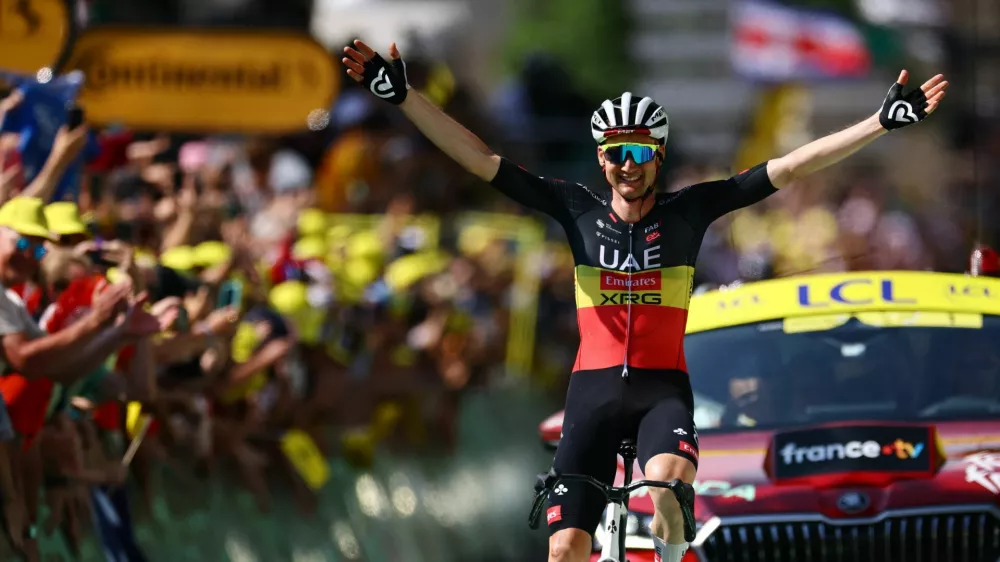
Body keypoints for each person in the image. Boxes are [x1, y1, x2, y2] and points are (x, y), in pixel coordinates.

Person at [341, 39, 948, 562]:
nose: (625, 165)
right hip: (593, 392)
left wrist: (879, 123)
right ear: (600, 157)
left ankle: (674, 550)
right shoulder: (574, 207)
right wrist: (403, 98)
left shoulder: (690, 211)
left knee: (664, 492)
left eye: (638, 152)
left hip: (661, 392)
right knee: (563, 550)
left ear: (657, 155)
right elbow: (478, 158)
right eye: (613, 152)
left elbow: (788, 167)